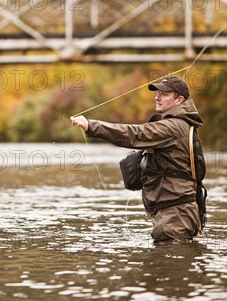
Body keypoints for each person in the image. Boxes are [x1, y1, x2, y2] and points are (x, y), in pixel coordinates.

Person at [71, 75, 203, 243]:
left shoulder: (173, 127)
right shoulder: (178, 124)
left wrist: (92, 127)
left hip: (175, 216)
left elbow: (134, 134)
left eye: (164, 94)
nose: (157, 97)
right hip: (174, 213)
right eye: (157, 93)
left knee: (171, 265)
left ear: (179, 100)